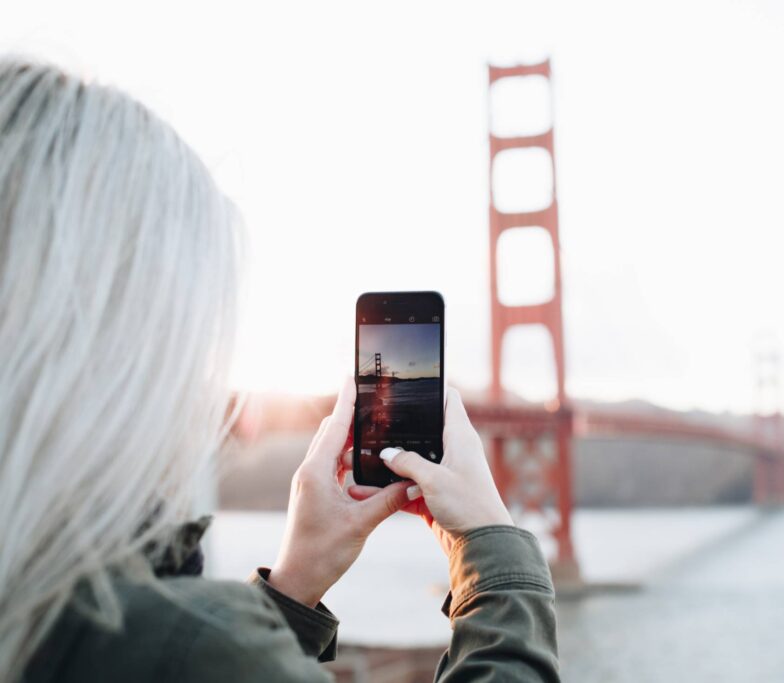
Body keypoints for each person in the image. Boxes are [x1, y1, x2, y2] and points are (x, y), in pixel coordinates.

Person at [0, 59, 559, 682]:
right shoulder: (191, 653)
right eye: (194, 356)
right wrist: (492, 545)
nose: (246, 418)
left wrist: (291, 590)